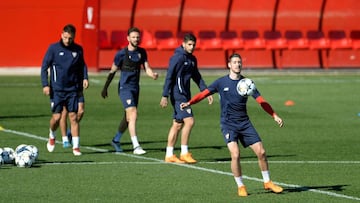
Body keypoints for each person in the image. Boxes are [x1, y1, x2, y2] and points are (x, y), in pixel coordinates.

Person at [180, 53, 284, 196]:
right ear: (229, 65)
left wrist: (274, 115)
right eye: (234, 62)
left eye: (239, 62)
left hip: (244, 123)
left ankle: (267, 182)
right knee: (235, 154)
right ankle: (241, 186)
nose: (237, 64)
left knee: (261, 152)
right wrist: (189, 103)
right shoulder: (221, 82)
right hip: (228, 124)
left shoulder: (247, 83)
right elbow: (204, 93)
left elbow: (261, 101)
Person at [101, 27, 158, 155]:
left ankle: (116, 140)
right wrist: (105, 88)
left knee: (128, 118)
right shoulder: (121, 54)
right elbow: (112, 72)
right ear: (128, 38)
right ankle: (136, 146)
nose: (136, 39)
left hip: (135, 88)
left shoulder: (142, 52)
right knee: (133, 113)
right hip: (124, 88)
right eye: (133, 37)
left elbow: (147, 67)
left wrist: (152, 74)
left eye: (137, 37)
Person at [160, 33, 213, 164]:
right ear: (183, 44)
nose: (192, 47)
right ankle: (184, 153)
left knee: (177, 124)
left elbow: (197, 77)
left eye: (193, 45)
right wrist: (165, 95)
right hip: (178, 95)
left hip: (185, 94)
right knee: (189, 121)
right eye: (189, 44)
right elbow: (169, 76)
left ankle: (169, 154)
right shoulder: (177, 58)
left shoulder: (192, 59)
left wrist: (206, 91)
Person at [41, 24, 88, 156]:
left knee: (73, 117)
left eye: (70, 38)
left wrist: (85, 78)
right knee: (56, 117)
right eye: (66, 37)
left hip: (72, 89)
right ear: (62, 35)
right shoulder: (53, 49)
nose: (67, 41)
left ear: (74, 37)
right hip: (57, 90)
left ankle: (76, 147)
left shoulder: (78, 50)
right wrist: (45, 84)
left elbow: (82, 65)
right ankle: (52, 135)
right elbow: (44, 67)